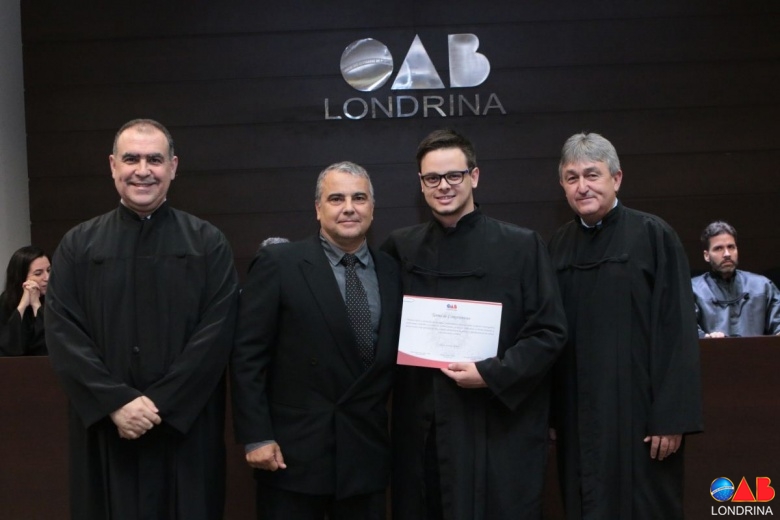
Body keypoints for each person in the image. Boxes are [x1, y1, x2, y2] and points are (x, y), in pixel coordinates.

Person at [45, 118, 239, 520]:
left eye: (155, 159)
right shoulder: (78, 245)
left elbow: (216, 334)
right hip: (107, 428)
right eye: (131, 159)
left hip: (184, 430)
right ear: (113, 165)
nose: (143, 170)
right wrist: (117, 403)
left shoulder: (207, 243)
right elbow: (64, 334)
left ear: (173, 167)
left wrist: (159, 404)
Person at [381, 129, 567, 520]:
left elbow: (549, 331)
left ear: (474, 176)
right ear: (421, 184)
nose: (443, 186)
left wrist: (492, 373)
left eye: (454, 175)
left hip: (495, 425)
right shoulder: (401, 248)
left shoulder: (521, 246)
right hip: (423, 427)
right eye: (432, 178)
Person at [231, 161, 402, 520]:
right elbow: (248, 355)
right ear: (317, 208)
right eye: (336, 199)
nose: (349, 208)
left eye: (359, 198)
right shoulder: (280, 262)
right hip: (292, 455)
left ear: (372, 207)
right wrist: (257, 436)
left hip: (364, 454)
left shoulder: (392, 269)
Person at [547, 132, 703, 519]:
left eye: (592, 174)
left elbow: (677, 331)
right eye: (571, 178)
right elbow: (548, 335)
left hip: (642, 417)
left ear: (616, 178)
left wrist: (672, 418)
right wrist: (551, 414)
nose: (582, 187)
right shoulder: (557, 246)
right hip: (578, 415)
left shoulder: (653, 235)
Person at [692, 221, 780, 338]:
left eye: (731, 247)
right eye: (718, 248)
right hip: (714, 350)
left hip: (757, 350)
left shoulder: (763, 286)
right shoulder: (693, 290)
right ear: (706, 255)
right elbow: (687, 330)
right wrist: (706, 338)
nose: (727, 254)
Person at [0, 246, 50, 356]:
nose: (47, 277)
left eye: (49, 270)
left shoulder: (55, 300)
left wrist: (36, 305)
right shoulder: (6, 300)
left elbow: (49, 345)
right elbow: (8, 349)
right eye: (38, 273)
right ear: (21, 277)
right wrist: (22, 306)